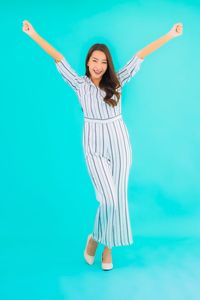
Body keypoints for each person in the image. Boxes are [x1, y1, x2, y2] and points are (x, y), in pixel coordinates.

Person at [22, 20, 183, 271]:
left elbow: (140, 55)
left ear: (108, 65)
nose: (98, 65)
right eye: (94, 60)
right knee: (107, 199)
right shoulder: (79, 85)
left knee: (118, 198)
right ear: (88, 62)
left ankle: (106, 249)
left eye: (103, 62)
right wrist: (34, 34)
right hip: (94, 145)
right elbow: (58, 58)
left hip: (120, 142)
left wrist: (170, 35)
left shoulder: (116, 83)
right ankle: (95, 238)